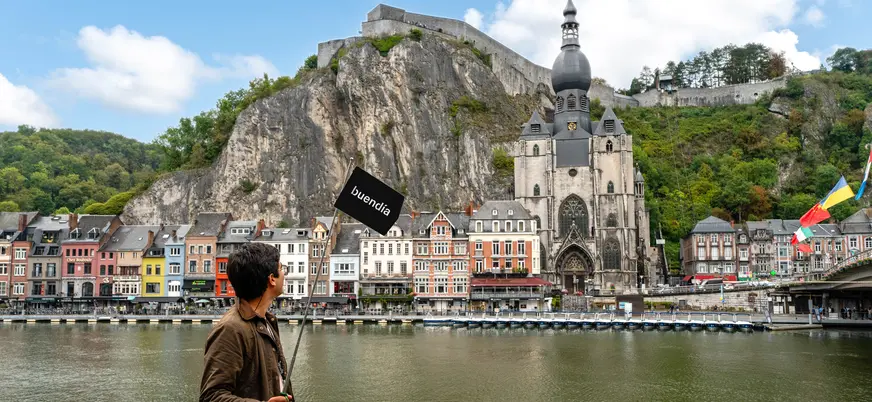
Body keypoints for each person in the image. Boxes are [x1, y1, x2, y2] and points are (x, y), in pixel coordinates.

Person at [200, 242, 292, 402]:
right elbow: (211, 396)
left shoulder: (266, 320)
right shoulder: (230, 329)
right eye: (281, 268)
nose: (284, 273)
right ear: (271, 279)